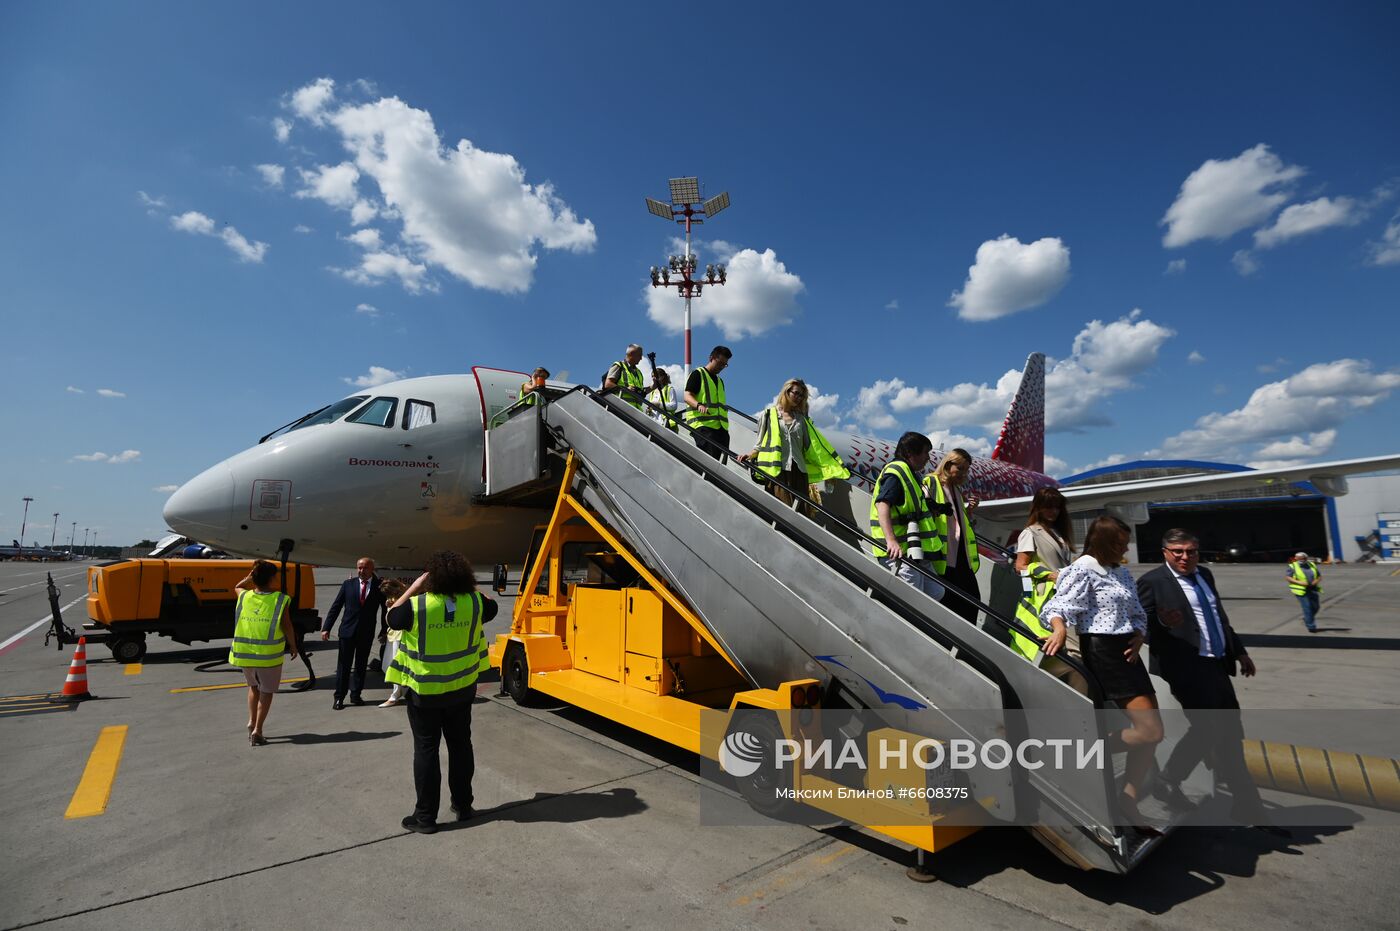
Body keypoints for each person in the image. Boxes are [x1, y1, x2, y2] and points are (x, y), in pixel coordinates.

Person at [1138, 530, 1289, 838]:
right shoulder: (1153, 582)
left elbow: (1219, 617)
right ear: (1164, 552)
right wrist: (1164, 625)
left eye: (1191, 551)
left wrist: (1240, 651)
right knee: (1209, 727)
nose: (1184, 557)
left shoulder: (1204, 574)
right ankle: (1168, 779)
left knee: (1231, 734)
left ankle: (1247, 806)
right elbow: (1140, 625)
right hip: (1186, 668)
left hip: (1217, 664)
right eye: (1177, 551)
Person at [1042, 516, 1164, 833]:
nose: (1125, 548)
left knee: (1153, 732)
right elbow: (1058, 605)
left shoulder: (1120, 570)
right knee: (1149, 731)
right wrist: (1058, 629)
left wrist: (1140, 634)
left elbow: (1137, 611)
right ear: (1105, 542)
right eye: (1120, 543)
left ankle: (1128, 800)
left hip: (1128, 650)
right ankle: (1081, 752)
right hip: (1103, 651)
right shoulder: (1084, 568)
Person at [386, 550, 496, 834]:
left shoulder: (418, 605)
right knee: (461, 747)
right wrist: (469, 586)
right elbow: (492, 606)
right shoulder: (473, 603)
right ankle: (463, 806)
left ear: (430, 578)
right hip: (461, 689)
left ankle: (425, 817)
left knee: (426, 750)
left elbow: (391, 617)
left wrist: (413, 587)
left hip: (426, 692)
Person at [738, 379, 850, 519]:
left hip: (799, 471)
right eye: (796, 393)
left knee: (800, 513)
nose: (798, 398)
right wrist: (750, 455)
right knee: (781, 511)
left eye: (801, 395)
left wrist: (831, 468)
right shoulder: (767, 415)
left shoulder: (802, 420)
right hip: (778, 471)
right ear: (786, 392)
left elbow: (812, 448)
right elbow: (760, 443)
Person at [1009, 488, 1085, 691]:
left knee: (1071, 652)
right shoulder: (1031, 532)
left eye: (1057, 507)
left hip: (1065, 595)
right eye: (1048, 506)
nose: (1053, 511)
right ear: (1038, 507)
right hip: (1045, 596)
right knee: (1070, 653)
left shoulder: (1060, 533)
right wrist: (1048, 574)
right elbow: (1020, 566)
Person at [868, 431, 944, 601]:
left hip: (917, 548)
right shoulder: (896, 472)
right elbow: (882, 504)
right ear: (910, 453)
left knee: (936, 592)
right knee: (912, 599)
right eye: (925, 453)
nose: (928, 458)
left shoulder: (911, 474)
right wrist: (891, 540)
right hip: (900, 551)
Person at [229, 560, 298, 747]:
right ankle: (258, 730)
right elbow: (287, 625)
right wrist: (293, 645)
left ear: (255, 578)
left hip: (244, 653)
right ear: (272, 578)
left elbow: (237, 586)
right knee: (266, 691)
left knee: (253, 687)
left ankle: (251, 721)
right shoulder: (280, 599)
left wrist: (249, 578)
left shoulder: (244, 596)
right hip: (268, 655)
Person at [922, 448, 981, 624]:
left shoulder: (955, 489)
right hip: (943, 555)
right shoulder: (931, 482)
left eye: (966, 469)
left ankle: (964, 643)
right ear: (948, 465)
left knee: (972, 600)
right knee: (954, 602)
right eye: (961, 468)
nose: (964, 473)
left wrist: (969, 511)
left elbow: (957, 523)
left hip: (959, 555)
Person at [321, 557, 388, 710]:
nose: (361, 571)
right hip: (347, 632)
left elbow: (385, 610)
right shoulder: (348, 584)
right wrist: (327, 627)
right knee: (344, 666)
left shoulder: (379, 587)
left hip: (366, 632)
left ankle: (356, 695)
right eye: (359, 568)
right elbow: (336, 607)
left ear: (372, 569)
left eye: (364, 568)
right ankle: (339, 697)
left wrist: (384, 630)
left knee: (360, 666)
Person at [684, 345, 732, 460]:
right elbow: (687, 396)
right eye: (720, 363)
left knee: (721, 463)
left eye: (725, 365)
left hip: (721, 428)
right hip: (702, 426)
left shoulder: (720, 381)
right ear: (711, 358)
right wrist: (698, 405)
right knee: (710, 461)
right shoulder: (698, 374)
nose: (722, 367)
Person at [376, 578, 410, 707]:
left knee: (395, 666)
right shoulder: (392, 600)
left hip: (400, 636)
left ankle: (395, 695)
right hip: (393, 635)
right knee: (388, 665)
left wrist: (393, 608)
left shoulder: (404, 600)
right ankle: (403, 692)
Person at [1286, 551, 1323, 633]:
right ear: (1295, 558)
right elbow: (1288, 577)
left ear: (1306, 558)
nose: (1300, 560)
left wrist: (1316, 581)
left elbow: (1319, 576)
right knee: (1307, 607)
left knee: (1316, 607)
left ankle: (1307, 618)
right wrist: (1300, 583)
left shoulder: (1312, 565)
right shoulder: (1292, 566)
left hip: (1312, 588)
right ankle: (1311, 626)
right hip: (1300, 590)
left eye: (1302, 558)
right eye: (1298, 558)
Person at [603, 344, 646, 410]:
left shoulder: (638, 372)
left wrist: (653, 386)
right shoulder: (619, 365)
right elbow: (608, 384)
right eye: (639, 355)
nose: (641, 358)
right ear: (632, 354)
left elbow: (641, 392)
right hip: (621, 407)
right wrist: (626, 389)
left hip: (636, 410)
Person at [646, 367, 680, 433]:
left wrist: (659, 404)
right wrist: (648, 410)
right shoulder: (652, 392)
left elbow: (674, 406)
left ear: (662, 377)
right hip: (653, 423)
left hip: (665, 423)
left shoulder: (670, 389)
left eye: (655, 376)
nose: (653, 378)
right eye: (652, 376)